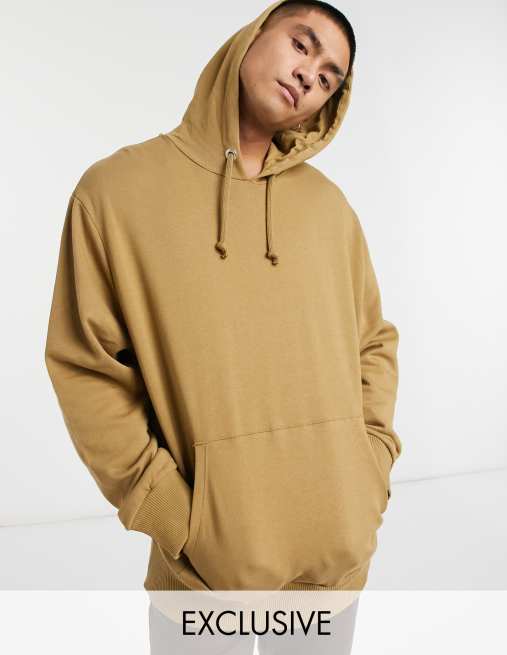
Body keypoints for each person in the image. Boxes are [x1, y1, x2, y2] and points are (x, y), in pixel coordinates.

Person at [45, 0, 401, 628]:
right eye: (301, 45)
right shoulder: (115, 193)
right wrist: (172, 514)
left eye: (328, 78)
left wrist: (369, 469)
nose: (308, 75)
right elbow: (86, 368)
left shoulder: (330, 210)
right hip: (202, 580)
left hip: (336, 569)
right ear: (251, 36)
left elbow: (373, 343)